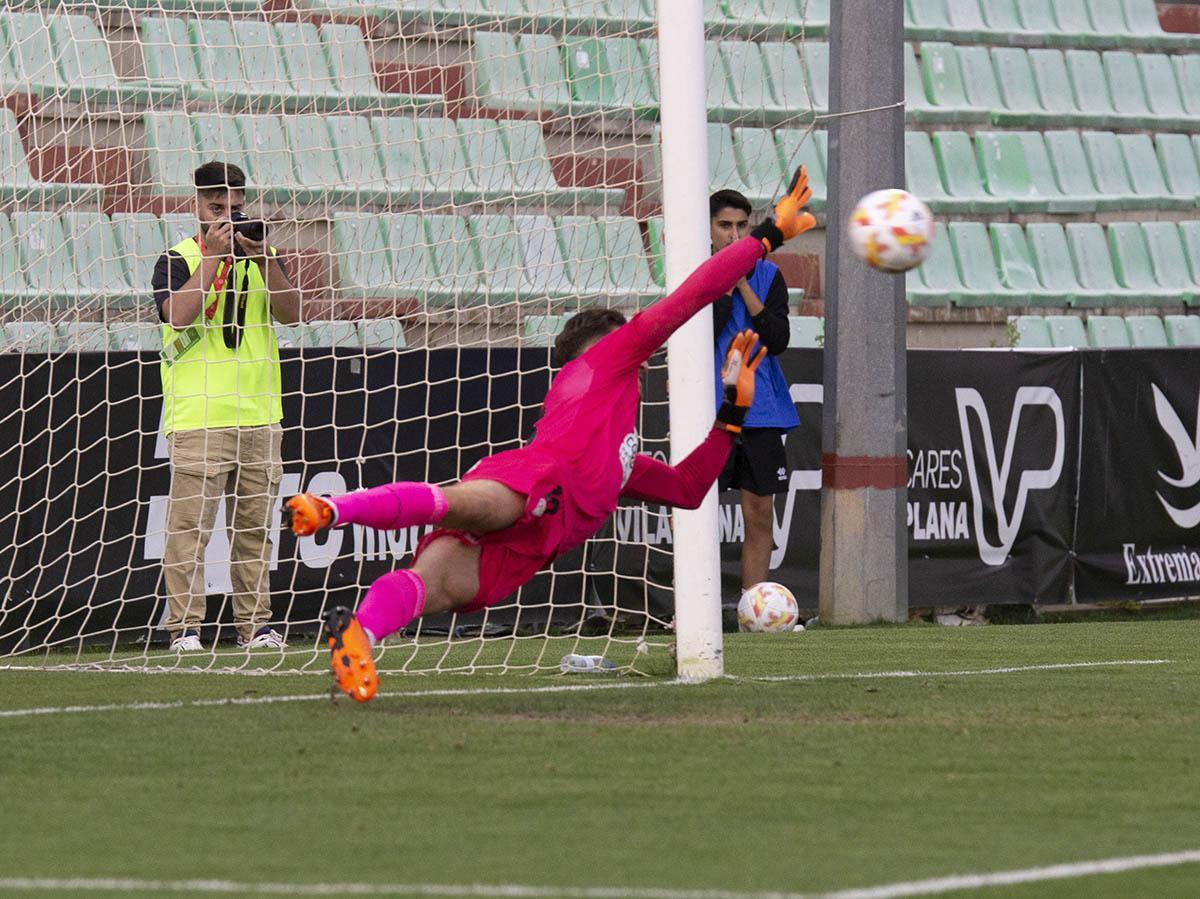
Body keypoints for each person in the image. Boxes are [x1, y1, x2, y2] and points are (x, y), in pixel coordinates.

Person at [286, 168, 816, 702]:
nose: (638, 346)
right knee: (459, 505)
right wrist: (766, 237)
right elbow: (692, 296)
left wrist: (732, 413)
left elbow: (686, 488)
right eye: (623, 337)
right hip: (538, 480)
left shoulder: (621, 450)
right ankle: (334, 509)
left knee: (434, 586)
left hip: (536, 541)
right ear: (598, 348)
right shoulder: (606, 360)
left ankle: (360, 636)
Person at [152, 161, 302, 652]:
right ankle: (185, 629)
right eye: (217, 208)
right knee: (188, 533)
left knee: (255, 532)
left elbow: (295, 314)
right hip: (199, 416)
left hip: (260, 413)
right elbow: (177, 316)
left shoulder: (264, 254)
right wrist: (214, 259)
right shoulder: (176, 258)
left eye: (235, 208)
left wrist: (260, 259)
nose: (227, 217)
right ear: (196, 206)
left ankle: (255, 626)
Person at [709, 189, 801, 598]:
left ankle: (753, 609)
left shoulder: (769, 275)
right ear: (708, 228)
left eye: (742, 226)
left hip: (760, 410)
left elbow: (778, 339)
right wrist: (724, 286)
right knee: (697, 514)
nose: (733, 235)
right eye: (724, 226)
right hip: (709, 410)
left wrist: (744, 285)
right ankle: (696, 609)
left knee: (760, 513)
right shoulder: (696, 272)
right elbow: (696, 335)